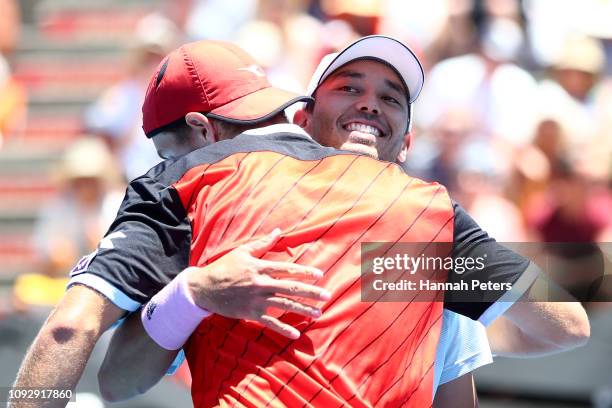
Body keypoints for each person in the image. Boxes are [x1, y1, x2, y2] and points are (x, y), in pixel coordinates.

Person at [12, 39, 588, 408]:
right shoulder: (220, 198)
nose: (369, 105)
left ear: (408, 141)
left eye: (392, 98)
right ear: (303, 121)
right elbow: (116, 381)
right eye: (349, 88)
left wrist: (402, 279)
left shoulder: (425, 230)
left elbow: (569, 322)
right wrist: (196, 293)